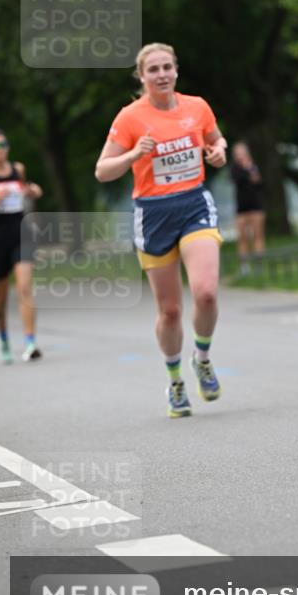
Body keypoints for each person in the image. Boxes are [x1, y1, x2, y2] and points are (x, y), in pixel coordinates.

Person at [95, 43, 227, 418]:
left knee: (206, 293)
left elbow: (216, 140)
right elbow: (103, 171)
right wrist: (133, 154)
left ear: (176, 70)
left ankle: (202, 358)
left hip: (193, 205)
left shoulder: (197, 107)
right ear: (142, 77)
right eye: (153, 69)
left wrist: (219, 151)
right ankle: (175, 381)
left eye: (167, 67)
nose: (162, 74)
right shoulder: (130, 118)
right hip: (153, 214)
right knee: (169, 311)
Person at [0, 127, 43, 362]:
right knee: (0, 298)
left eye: (3, 145)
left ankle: (30, 343)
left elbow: (26, 190)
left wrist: (32, 191)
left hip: (20, 233)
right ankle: (3, 338)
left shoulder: (17, 169)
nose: (0, 150)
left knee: (24, 287)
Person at [230, 141, 265, 273]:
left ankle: (259, 265)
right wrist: (245, 169)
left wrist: (249, 168)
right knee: (242, 238)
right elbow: (237, 180)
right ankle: (244, 266)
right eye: (237, 153)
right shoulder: (234, 168)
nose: (240, 155)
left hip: (256, 205)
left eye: (242, 152)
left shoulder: (253, 166)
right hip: (241, 207)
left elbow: (258, 182)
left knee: (258, 235)